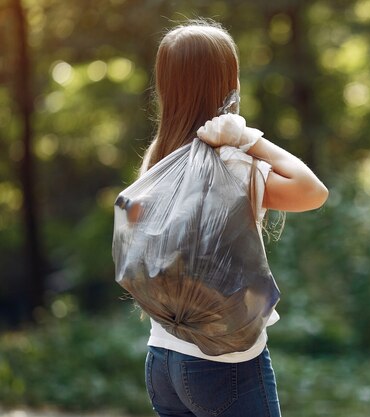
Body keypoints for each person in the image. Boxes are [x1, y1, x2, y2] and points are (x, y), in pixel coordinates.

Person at [138, 20, 328, 417]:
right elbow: (313, 192)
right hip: (225, 364)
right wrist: (250, 139)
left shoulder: (157, 161)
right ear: (228, 84)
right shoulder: (233, 164)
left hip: (162, 359)